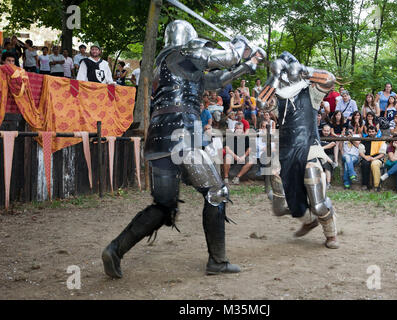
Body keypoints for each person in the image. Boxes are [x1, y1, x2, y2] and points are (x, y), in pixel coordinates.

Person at [101, 20, 265, 278]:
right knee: (216, 192)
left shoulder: (170, 65)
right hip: (182, 135)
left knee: (163, 205)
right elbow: (223, 57)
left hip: (159, 140)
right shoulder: (181, 53)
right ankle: (217, 262)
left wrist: (249, 64)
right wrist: (241, 45)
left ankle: (115, 250)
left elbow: (215, 80)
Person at [260, 51, 339, 249]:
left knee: (318, 200)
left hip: (309, 147)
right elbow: (261, 102)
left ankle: (330, 234)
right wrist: (275, 75)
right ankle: (308, 219)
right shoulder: (279, 98)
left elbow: (330, 79)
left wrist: (304, 71)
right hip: (286, 151)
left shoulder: (311, 91)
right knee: (280, 207)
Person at [359, 125, 387, 191]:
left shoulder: (380, 140)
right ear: (367, 132)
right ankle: (365, 185)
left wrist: (374, 158)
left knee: (374, 164)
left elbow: (382, 153)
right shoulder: (364, 140)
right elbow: (361, 152)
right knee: (365, 164)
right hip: (366, 157)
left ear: (376, 132)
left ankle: (377, 186)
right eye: (369, 132)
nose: (371, 133)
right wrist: (365, 157)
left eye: (373, 131)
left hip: (377, 158)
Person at [320, 124, 337, 189]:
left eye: (327, 131)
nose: (326, 132)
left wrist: (321, 148)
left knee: (327, 165)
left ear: (330, 131)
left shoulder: (332, 137)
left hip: (329, 155)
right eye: (324, 130)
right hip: (319, 155)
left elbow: (332, 144)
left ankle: (328, 183)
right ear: (322, 130)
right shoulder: (319, 136)